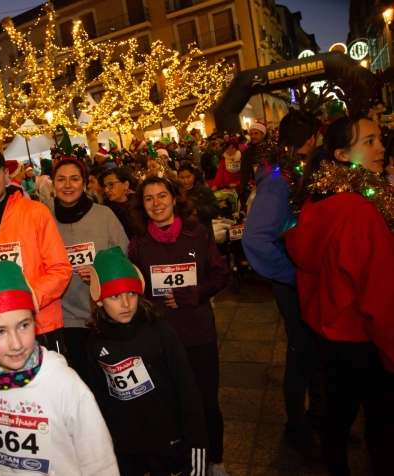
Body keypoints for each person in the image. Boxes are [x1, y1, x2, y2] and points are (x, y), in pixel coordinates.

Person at [284, 115, 394, 476]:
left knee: (339, 412)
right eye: (369, 141)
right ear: (342, 155)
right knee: (381, 423)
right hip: (363, 335)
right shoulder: (361, 211)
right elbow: (380, 297)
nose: (381, 148)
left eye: (381, 139)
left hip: (331, 333)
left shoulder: (318, 202)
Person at [0, 260, 119, 475]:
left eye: (24, 325)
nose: (16, 344)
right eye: (0, 331)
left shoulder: (65, 385)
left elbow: (99, 463)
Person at [128, 176, 230, 476]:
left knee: (207, 403)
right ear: (142, 205)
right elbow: (136, 289)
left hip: (198, 333)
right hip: (160, 338)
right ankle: (181, 459)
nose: (156, 203)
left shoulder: (197, 234)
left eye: (162, 196)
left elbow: (220, 274)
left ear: (174, 199)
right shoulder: (137, 245)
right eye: (149, 198)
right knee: (170, 404)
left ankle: (216, 460)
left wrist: (195, 293)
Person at [242, 110, 325, 460]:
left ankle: (319, 417)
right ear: (309, 140)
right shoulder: (279, 180)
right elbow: (255, 240)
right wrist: (293, 275)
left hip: (303, 277)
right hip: (293, 280)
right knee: (301, 353)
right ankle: (297, 427)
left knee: (318, 350)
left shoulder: (297, 172)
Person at [85, 247, 209, 476]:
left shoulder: (159, 331)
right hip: (124, 446)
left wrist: (196, 442)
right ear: (99, 300)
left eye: (131, 294)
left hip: (165, 443)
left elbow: (187, 389)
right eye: (115, 296)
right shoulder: (95, 341)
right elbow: (99, 396)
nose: (125, 303)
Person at [0, 147, 72, 353]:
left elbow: (60, 269)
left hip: (41, 324)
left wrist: (23, 300)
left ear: (6, 174)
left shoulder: (36, 212)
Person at [50, 159, 129, 382]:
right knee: (85, 381)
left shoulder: (104, 216)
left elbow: (124, 260)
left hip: (105, 314)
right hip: (68, 319)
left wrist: (99, 273)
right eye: (61, 179)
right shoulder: (44, 220)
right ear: (53, 184)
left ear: (84, 184)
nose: (68, 185)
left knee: (114, 380)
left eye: (74, 179)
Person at [177, 161, 220, 242]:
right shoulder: (176, 193)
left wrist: (197, 210)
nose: (185, 181)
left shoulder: (204, 191)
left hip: (204, 234)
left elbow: (215, 209)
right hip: (184, 235)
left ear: (193, 176)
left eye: (188, 177)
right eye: (182, 178)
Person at [99, 167, 136, 239]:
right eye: (105, 186)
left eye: (111, 184)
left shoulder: (138, 204)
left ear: (126, 185)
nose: (106, 190)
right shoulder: (105, 210)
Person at [240, 121, 268, 200]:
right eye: (251, 134)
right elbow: (244, 171)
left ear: (263, 134)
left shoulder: (271, 149)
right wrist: (244, 187)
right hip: (257, 189)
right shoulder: (248, 152)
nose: (253, 136)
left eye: (256, 133)